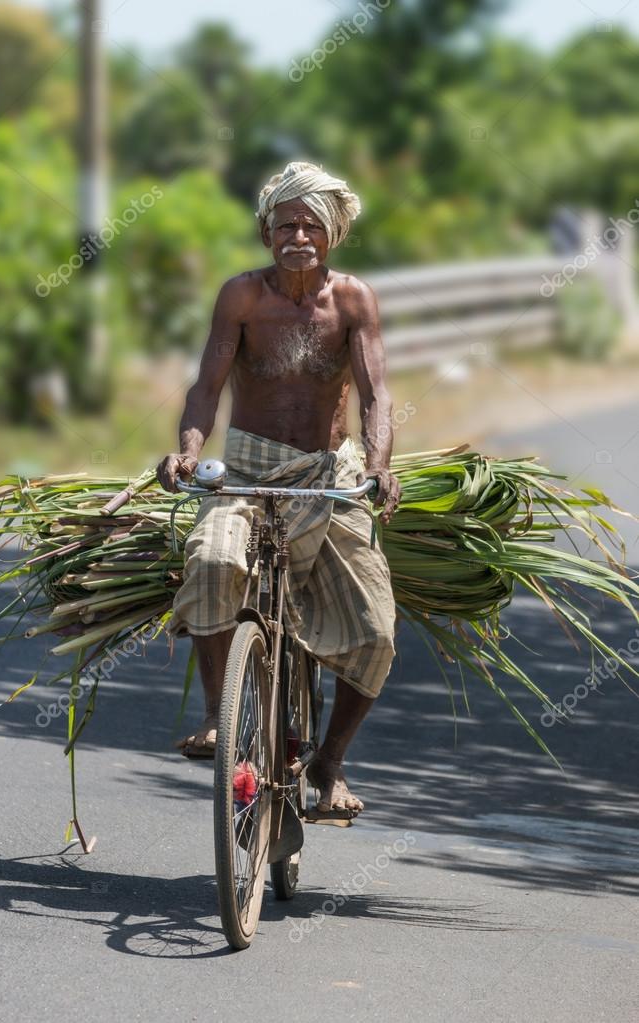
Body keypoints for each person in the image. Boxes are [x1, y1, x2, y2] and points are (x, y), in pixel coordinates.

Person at [157, 161, 400, 816]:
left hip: (328, 476)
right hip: (249, 470)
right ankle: (218, 712)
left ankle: (330, 761)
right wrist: (187, 451)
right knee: (211, 560)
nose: (299, 235)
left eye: (311, 224)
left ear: (332, 236)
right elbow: (205, 389)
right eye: (286, 223)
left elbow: (376, 394)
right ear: (266, 232)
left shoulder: (352, 301)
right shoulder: (241, 297)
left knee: (375, 631)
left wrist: (379, 465)